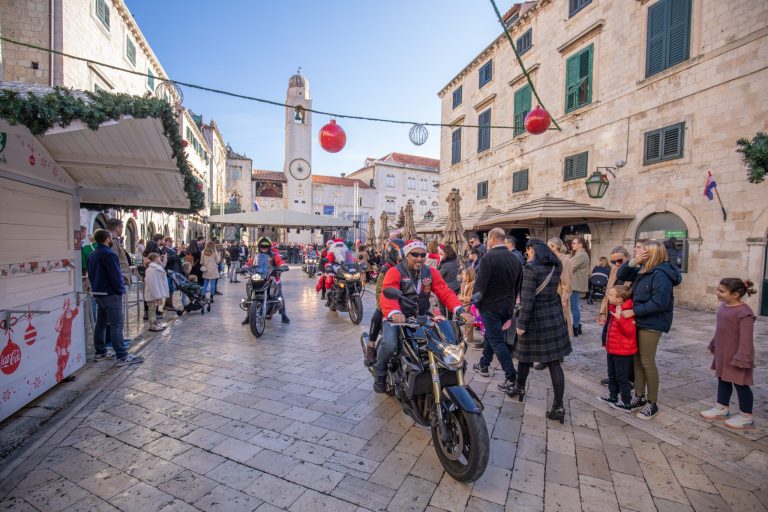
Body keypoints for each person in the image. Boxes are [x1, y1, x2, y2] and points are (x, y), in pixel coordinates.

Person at [375, 240, 473, 393]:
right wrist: (395, 313)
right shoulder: (395, 271)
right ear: (407, 255)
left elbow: (444, 291)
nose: (419, 258)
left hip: (421, 317)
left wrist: (460, 310)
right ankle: (380, 374)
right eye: (415, 254)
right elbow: (388, 293)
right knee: (390, 343)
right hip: (397, 318)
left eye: (422, 254)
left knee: (440, 344)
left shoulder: (430, 272)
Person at [617, 239, 682, 420]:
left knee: (647, 361)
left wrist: (634, 311)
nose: (637, 252)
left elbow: (660, 302)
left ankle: (652, 403)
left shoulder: (661, 274)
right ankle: (639, 396)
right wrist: (633, 262)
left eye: (641, 250)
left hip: (652, 323)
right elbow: (622, 274)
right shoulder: (642, 270)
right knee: (637, 360)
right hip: (639, 320)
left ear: (651, 253)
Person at [511, 238, 572, 423]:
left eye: (528, 251)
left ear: (532, 250)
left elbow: (527, 300)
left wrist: (521, 324)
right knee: (554, 364)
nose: (527, 254)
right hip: (553, 316)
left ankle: (519, 388)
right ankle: (558, 406)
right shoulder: (556, 265)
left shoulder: (530, 268)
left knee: (524, 356)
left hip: (535, 319)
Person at [471, 228, 523, 393]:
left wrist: (476, 305)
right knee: (492, 336)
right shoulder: (515, 259)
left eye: (488, 239)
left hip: (490, 306)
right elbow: (517, 287)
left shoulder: (488, 258)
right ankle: (484, 364)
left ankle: (511, 376)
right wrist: (511, 307)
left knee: (496, 340)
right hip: (507, 306)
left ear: (492, 238)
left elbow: (480, 286)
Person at [701, 278, 756, 429]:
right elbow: (721, 329)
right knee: (723, 379)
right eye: (718, 290)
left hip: (738, 355)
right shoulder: (724, 306)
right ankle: (721, 408)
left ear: (736, 294)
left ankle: (746, 416)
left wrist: (743, 357)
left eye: (722, 291)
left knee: (741, 384)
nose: (717, 293)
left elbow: (746, 338)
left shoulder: (745, 313)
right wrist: (714, 342)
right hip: (724, 351)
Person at [87, 229, 143, 366]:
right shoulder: (109, 254)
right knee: (116, 324)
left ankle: (101, 351)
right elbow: (115, 274)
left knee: (101, 323)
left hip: (99, 293)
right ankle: (122, 355)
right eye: (111, 237)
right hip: (111, 294)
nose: (112, 239)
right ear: (107, 239)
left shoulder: (93, 254)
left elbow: (91, 274)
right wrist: (120, 289)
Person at [362, 238, 404, 367]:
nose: (401, 257)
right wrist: (385, 308)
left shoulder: (406, 268)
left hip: (403, 305)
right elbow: (380, 292)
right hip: (388, 305)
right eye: (399, 253)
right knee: (377, 316)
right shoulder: (386, 270)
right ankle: (371, 346)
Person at [599, 285, 637, 411]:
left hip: (623, 352)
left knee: (622, 377)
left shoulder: (627, 311)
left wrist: (620, 319)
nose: (608, 297)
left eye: (611, 295)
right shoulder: (614, 308)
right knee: (612, 375)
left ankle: (626, 402)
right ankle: (613, 396)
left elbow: (630, 331)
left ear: (619, 299)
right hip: (612, 349)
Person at [598, 246, 631, 386]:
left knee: (623, 347)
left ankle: (626, 379)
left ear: (627, 258)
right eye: (613, 262)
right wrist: (602, 313)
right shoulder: (614, 270)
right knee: (609, 343)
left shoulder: (632, 270)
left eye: (619, 261)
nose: (616, 264)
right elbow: (607, 294)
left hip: (624, 313)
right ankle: (613, 377)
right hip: (611, 312)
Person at [242, 237, 290, 325]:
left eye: (266, 247)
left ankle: (283, 315)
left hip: (272, 278)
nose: (264, 248)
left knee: (279, 296)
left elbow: (280, 261)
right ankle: (249, 316)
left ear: (269, 247)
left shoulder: (274, 255)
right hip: (259, 277)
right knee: (250, 294)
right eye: (262, 246)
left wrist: (283, 266)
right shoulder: (256, 256)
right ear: (259, 247)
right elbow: (249, 263)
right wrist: (244, 268)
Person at [547, 238, 574, 339]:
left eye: (548, 246)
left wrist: (564, 299)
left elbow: (567, 282)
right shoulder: (551, 259)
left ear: (555, 247)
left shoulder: (565, 260)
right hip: (551, 294)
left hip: (560, 294)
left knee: (560, 322)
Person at [569, 237, 590, 337]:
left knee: (574, 307)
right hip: (575, 284)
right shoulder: (579, 254)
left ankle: (575, 327)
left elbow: (570, 268)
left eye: (574, 243)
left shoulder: (581, 255)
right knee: (575, 306)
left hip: (575, 284)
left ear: (580, 244)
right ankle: (578, 325)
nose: (572, 245)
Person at [143, 253, 169, 332]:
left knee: (154, 308)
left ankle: (154, 322)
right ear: (155, 258)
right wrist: (156, 294)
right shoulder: (151, 269)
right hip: (152, 292)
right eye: (158, 258)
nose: (160, 259)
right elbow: (151, 282)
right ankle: (152, 324)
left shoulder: (156, 267)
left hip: (156, 292)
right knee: (151, 308)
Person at [105, 218, 132, 285]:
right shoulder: (112, 241)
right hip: (118, 279)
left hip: (120, 278)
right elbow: (113, 261)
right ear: (117, 228)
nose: (122, 230)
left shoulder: (114, 240)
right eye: (122, 227)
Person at [457, 267, 477, 345]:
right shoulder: (464, 284)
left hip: (470, 306)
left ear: (469, 276)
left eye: (463, 275)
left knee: (469, 323)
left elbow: (472, 298)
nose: (462, 276)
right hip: (464, 305)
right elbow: (462, 294)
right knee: (466, 322)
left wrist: (461, 298)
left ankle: (468, 339)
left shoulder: (473, 284)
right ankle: (466, 337)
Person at [163, 237, 181, 312]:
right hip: (169, 270)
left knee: (172, 288)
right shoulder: (164, 250)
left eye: (172, 241)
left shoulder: (172, 249)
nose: (171, 243)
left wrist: (180, 253)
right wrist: (176, 255)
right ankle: (169, 304)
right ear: (166, 242)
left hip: (174, 270)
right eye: (170, 241)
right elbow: (168, 260)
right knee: (170, 288)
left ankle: (166, 304)